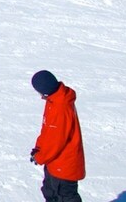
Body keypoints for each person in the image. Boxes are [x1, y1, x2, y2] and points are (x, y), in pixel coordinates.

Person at [31, 70, 85, 202]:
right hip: (54, 162)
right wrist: (39, 148)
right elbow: (47, 131)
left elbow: (56, 141)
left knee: (64, 196)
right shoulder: (54, 100)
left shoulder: (60, 108)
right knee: (50, 192)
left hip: (65, 166)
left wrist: (41, 156)